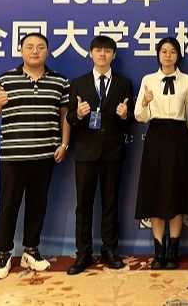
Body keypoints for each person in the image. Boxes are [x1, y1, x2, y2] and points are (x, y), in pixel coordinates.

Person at [0, 32, 70, 280]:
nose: (35, 51)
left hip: (45, 155)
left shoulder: (59, 81)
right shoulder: (5, 79)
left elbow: (64, 114)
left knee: (37, 205)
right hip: (13, 155)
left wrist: (64, 143)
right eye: (29, 47)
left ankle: (31, 250)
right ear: (21, 50)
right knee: (8, 205)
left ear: (47, 52)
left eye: (40, 47)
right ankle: (3, 254)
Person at [65, 36, 134, 275]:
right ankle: (83, 252)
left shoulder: (124, 83)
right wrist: (78, 114)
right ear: (90, 54)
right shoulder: (79, 83)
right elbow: (70, 118)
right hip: (86, 152)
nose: (102, 54)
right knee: (83, 205)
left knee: (110, 203)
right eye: (98, 50)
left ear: (114, 55)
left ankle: (109, 250)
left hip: (113, 152)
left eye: (107, 51)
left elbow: (130, 120)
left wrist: (125, 115)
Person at [134, 37, 188, 270]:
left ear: (178, 56)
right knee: (156, 193)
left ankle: (173, 250)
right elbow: (140, 116)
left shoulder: (187, 81)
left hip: (179, 137)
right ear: (158, 55)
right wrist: (145, 102)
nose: (168, 55)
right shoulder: (148, 80)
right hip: (156, 136)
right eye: (164, 51)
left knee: (176, 192)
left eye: (172, 51)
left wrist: (187, 141)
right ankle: (159, 250)